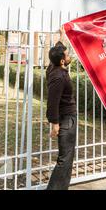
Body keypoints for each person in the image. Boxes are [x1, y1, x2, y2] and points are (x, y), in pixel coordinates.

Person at [46, 27, 77, 190]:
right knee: (65, 158)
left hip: (67, 119)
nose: (69, 54)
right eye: (67, 54)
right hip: (66, 120)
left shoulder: (53, 66)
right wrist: (55, 123)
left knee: (67, 156)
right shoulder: (59, 76)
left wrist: (62, 35)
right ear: (62, 61)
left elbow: (58, 48)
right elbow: (52, 102)